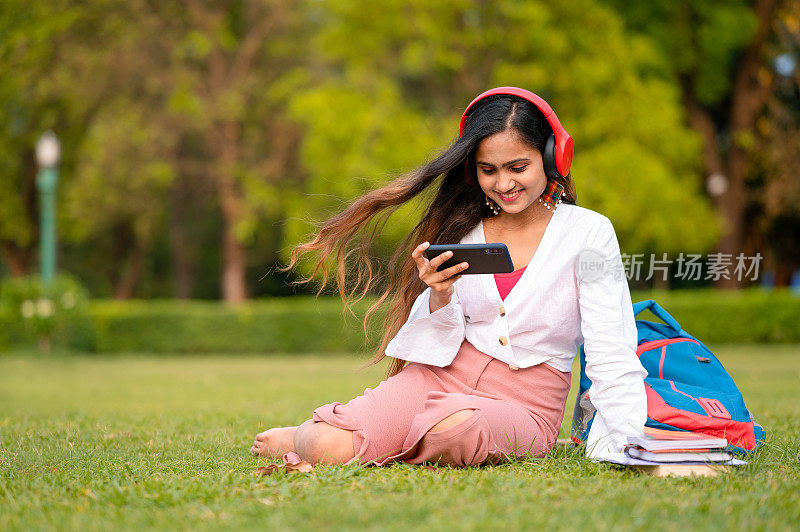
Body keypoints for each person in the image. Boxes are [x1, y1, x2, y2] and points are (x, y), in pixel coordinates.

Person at [251, 86, 647, 466]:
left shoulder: (590, 233)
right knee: (324, 445)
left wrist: (628, 436)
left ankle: (397, 438)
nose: (503, 184)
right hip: (438, 376)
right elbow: (431, 344)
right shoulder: (461, 231)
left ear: (552, 157)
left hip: (526, 403)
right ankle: (306, 434)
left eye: (518, 167)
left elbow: (610, 345)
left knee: (456, 429)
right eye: (488, 170)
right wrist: (438, 296)